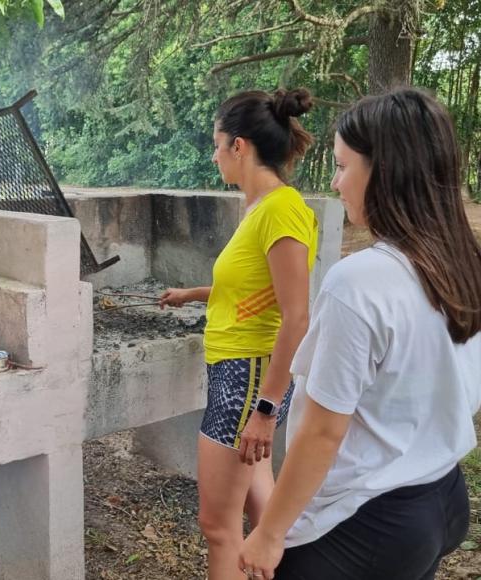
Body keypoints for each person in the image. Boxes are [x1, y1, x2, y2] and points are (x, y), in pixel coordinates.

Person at [238, 87, 481, 580]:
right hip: (442, 494)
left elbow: (324, 432)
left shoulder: (361, 281)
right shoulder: (463, 262)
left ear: (385, 172)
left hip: (366, 519)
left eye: (343, 165)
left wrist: (269, 533)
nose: (334, 182)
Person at [159, 89, 318, 579]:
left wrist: (265, 411)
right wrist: (193, 294)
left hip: (249, 378)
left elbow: (297, 317)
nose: (213, 156)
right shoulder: (260, 208)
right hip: (242, 371)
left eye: (217, 144)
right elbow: (254, 289)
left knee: (218, 525)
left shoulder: (281, 209)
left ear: (240, 147)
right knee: (258, 507)